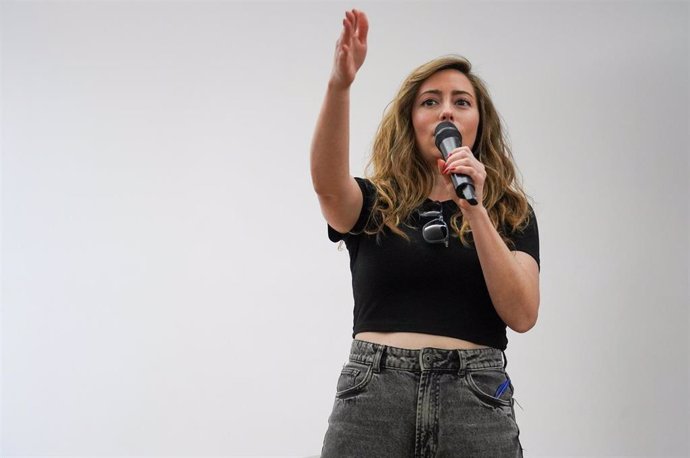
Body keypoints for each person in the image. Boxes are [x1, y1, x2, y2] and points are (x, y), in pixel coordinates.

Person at [310, 9, 539, 458]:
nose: (446, 110)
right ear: (411, 119)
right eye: (430, 101)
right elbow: (326, 186)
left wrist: (475, 210)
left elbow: (523, 313)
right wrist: (340, 85)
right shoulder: (377, 203)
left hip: (475, 398)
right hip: (375, 395)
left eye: (461, 101)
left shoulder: (509, 211)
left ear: (477, 121)